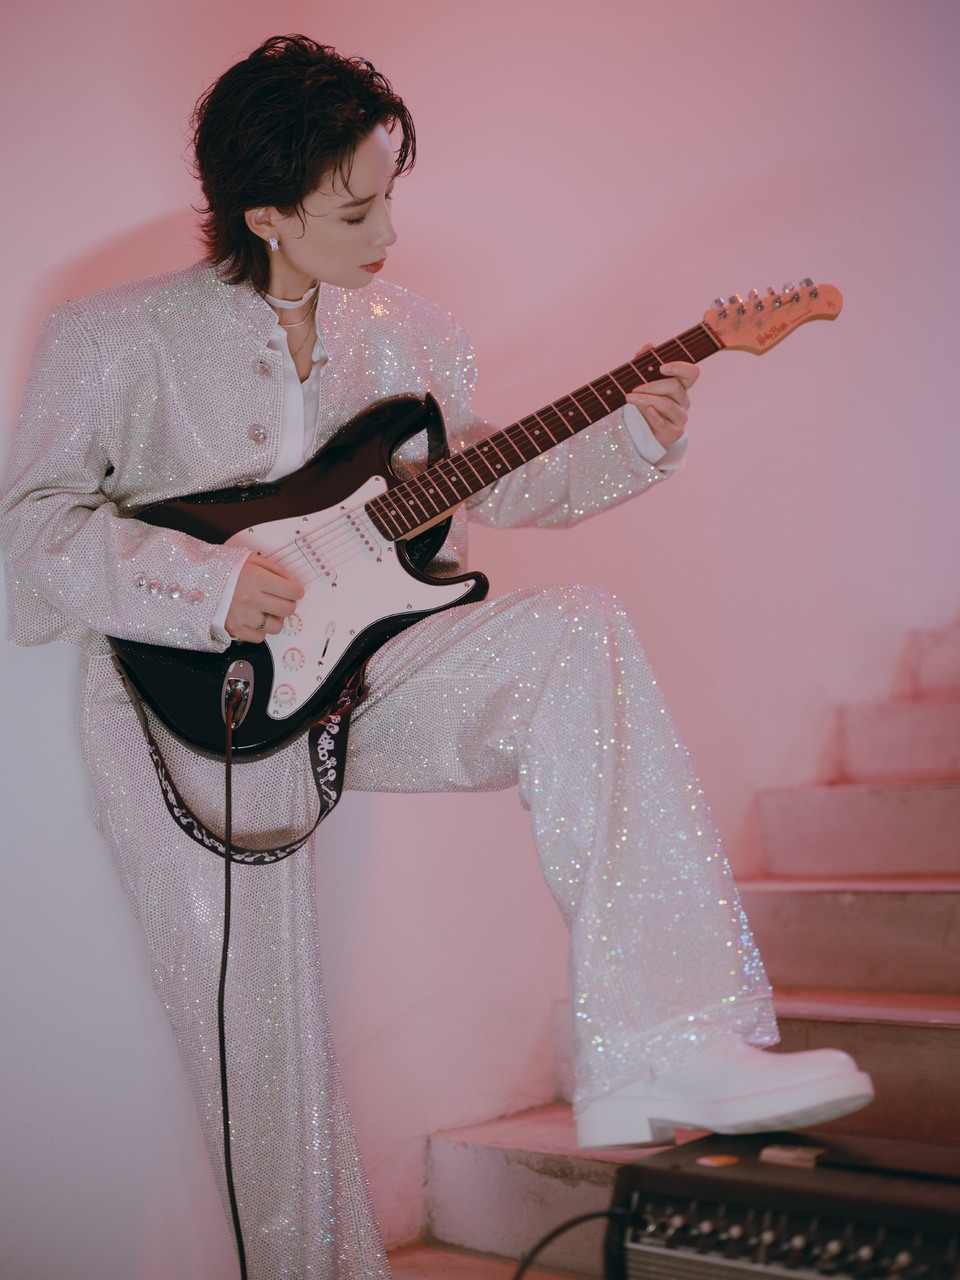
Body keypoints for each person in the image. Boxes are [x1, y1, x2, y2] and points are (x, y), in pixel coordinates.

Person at [0, 35, 873, 1280]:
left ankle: (668, 1042)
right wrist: (204, 584)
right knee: (259, 1038)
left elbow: (488, 479)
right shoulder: (112, 337)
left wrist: (636, 437)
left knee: (577, 632)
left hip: (370, 670)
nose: (388, 231)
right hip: (190, 708)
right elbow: (33, 527)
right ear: (266, 214)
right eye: (356, 209)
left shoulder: (414, 333)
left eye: (389, 196)